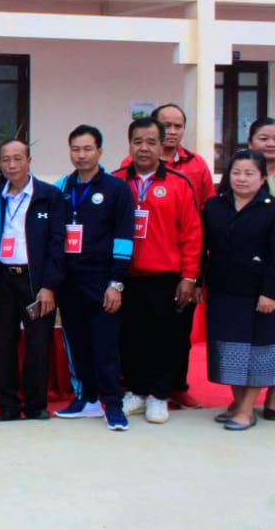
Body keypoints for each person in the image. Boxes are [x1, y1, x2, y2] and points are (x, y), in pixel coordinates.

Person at [119, 103, 213, 410]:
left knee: (166, 337)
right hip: (126, 276)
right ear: (129, 145)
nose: (144, 148)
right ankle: (136, 390)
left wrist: (190, 277)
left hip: (166, 276)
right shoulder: (117, 181)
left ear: (162, 147)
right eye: (138, 142)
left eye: (151, 142)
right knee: (131, 336)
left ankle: (159, 395)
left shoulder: (180, 183)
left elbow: (192, 234)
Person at [53, 125, 135, 431]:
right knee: (77, 342)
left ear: (99, 151)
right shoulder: (62, 188)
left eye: (88, 149)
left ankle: (113, 404)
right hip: (69, 281)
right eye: (75, 149)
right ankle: (85, 398)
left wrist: (116, 283)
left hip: (102, 280)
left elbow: (124, 238)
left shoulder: (116, 189)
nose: (81, 155)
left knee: (106, 345)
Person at [200, 150, 275, 431]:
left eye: (249, 173)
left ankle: (246, 410)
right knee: (229, 349)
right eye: (236, 172)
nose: (241, 178)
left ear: (262, 178)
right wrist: (196, 282)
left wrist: (271, 292)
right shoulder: (214, 206)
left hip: (258, 294)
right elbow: (202, 248)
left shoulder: (271, 209)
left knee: (256, 351)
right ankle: (238, 402)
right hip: (222, 290)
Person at [0, 140, 65, 422]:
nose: (11, 165)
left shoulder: (48, 195)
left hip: (35, 280)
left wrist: (49, 286)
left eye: (18, 158)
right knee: (3, 343)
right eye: (6, 159)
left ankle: (36, 406)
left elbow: (57, 244)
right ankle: (8, 406)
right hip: (4, 279)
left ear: (29, 160)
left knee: (38, 343)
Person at [245, 117, 275, 420]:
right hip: (253, 270)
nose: (271, 143)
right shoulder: (243, 173)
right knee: (260, 336)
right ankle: (243, 401)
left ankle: (273, 397)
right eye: (264, 138)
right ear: (251, 142)